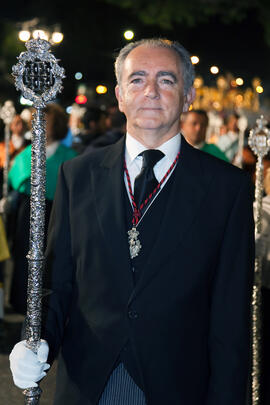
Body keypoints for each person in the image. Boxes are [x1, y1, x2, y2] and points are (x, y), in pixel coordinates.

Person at [10, 38, 254, 405]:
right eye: (137, 80)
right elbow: (56, 285)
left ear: (188, 95)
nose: (151, 91)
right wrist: (36, 338)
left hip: (181, 386)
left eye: (166, 80)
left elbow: (231, 317)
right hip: (88, 383)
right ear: (121, 96)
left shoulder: (227, 188)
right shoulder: (77, 176)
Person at [7, 103, 77, 314]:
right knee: (23, 256)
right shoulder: (27, 152)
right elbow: (14, 180)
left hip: (56, 212)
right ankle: (22, 304)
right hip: (27, 213)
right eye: (37, 122)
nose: (41, 127)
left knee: (52, 257)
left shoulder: (69, 156)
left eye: (47, 122)